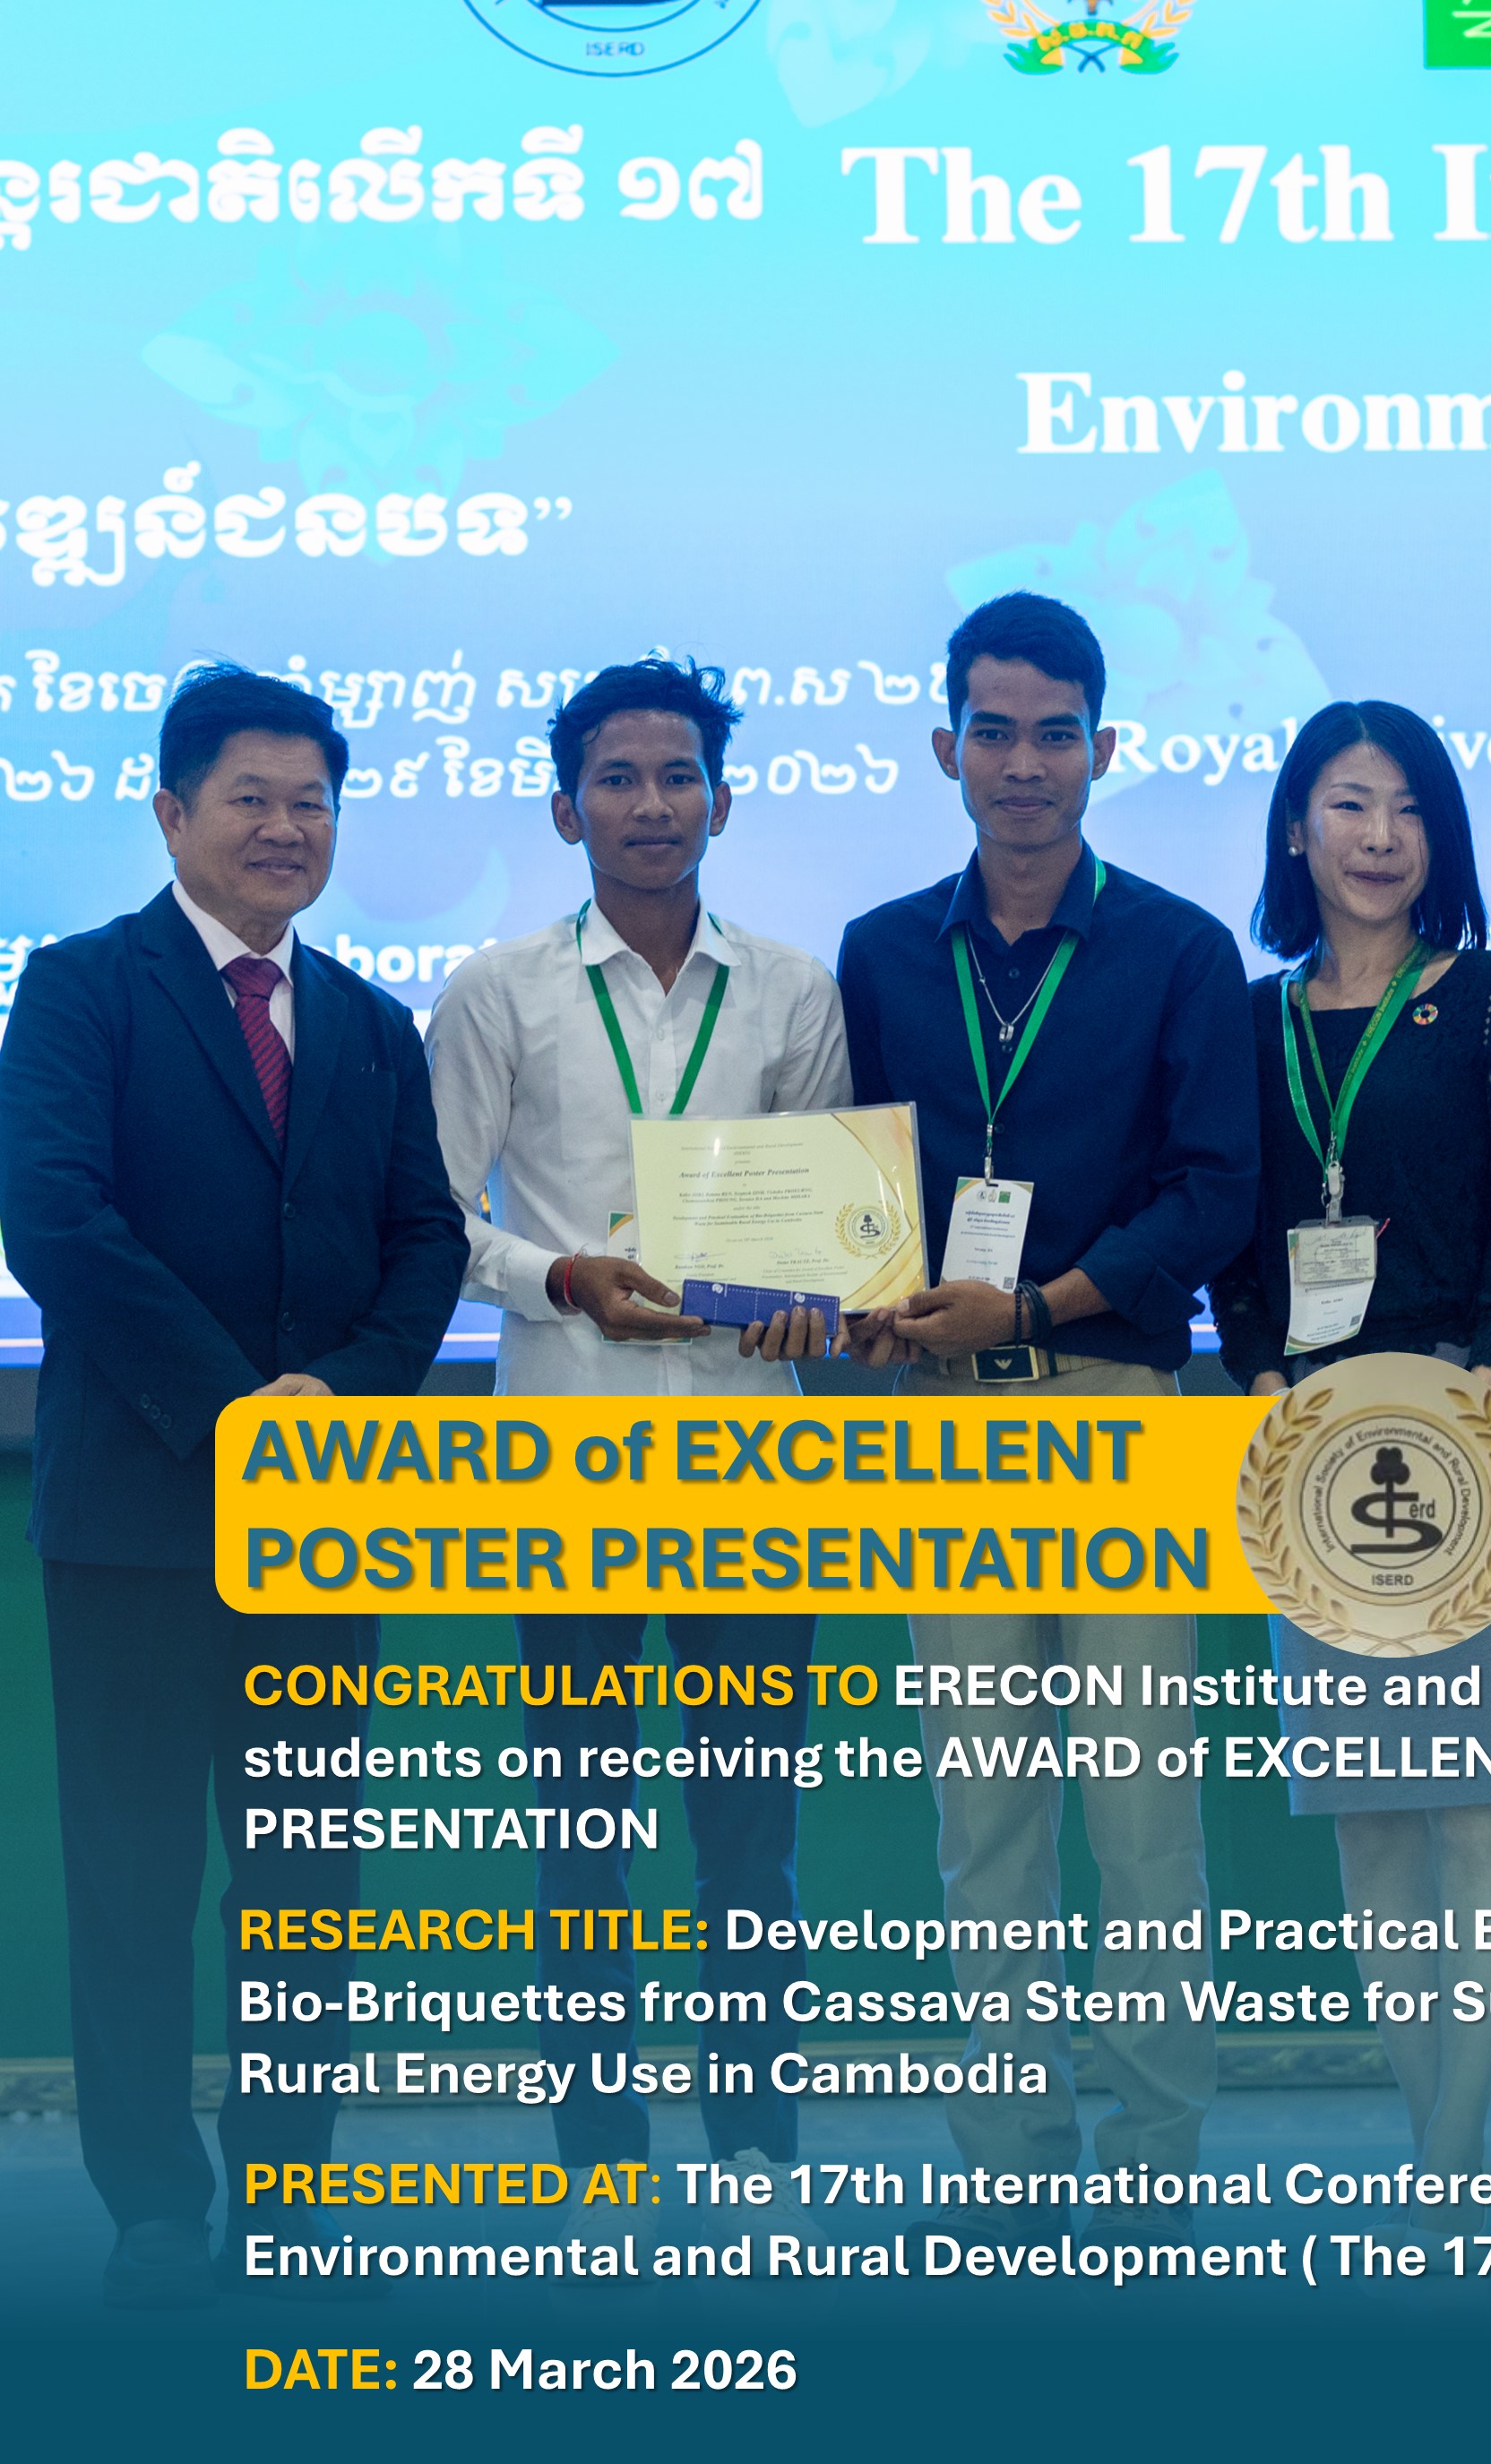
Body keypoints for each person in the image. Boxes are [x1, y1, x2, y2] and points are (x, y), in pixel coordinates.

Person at [0, 664, 468, 2309]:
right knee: (133, 1879)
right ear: (171, 812)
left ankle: (289, 2193)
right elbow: (56, 1222)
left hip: (324, 1524)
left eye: (311, 802)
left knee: (305, 1885)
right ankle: (149, 2204)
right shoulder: (80, 987)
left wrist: (336, 1404)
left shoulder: (368, 1021)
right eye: (252, 799)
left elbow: (425, 1237)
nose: (285, 828)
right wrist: (237, 1414)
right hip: (137, 1520)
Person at [836, 590, 1259, 2248]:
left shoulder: (1178, 948)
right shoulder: (882, 950)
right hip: (938, 1422)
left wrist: (1036, 1307)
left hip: (1118, 1409)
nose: (1025, 765)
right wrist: (864, 1295)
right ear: (946, 746)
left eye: (1056, 734)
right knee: (986, 1808)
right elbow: (855, 1186)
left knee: (1143, 1810)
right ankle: (1010, 2149)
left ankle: (1155, 2149)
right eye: (994, 732)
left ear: (1103, 746)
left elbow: (1213, 1192)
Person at [425, 657, 845, 2267]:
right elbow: (439, 1219)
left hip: (753, 1465)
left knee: (751, 1830)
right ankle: (599, 2159)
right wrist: (560, 1276)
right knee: (582, 1827)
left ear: (722, 803)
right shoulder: (497, 990)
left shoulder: (792, 990)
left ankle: (754, 2148)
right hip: (573, 1461)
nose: (650, 804)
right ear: (566, 808)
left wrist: (811, 1300)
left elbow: (830, 1228)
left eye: (678, 776)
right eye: (617, 777)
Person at [1210, 700, 1491, 2241]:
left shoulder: (1490, 995)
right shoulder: (1247, 1020)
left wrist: (1486, 1367)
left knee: (1483, 1795)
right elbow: (1232, 1224)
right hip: (1310, 1441)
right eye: (1350, 804)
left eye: (1410, 809)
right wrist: (1259, 1372)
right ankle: (1425, 2122)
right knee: (1369, 1808)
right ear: (1294, 826)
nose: (1380, 838)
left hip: (1475, 1418)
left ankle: (1456, 2139)